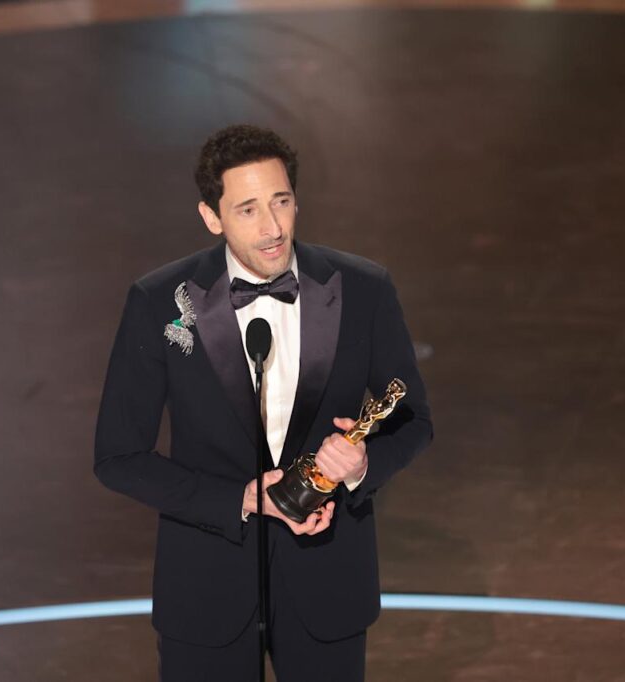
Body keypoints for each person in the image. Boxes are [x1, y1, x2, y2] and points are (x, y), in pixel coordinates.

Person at [94, 124, 433, 681]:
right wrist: (243, 498)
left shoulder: (363, 290)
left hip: (328, 583)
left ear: (297, 199)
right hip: (206, 589)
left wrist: (364, 465)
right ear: (212, 216)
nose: (272, 227)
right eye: (247, 209)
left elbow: (413, 418)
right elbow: (117, 456)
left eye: (280, 202)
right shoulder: (159, 303)